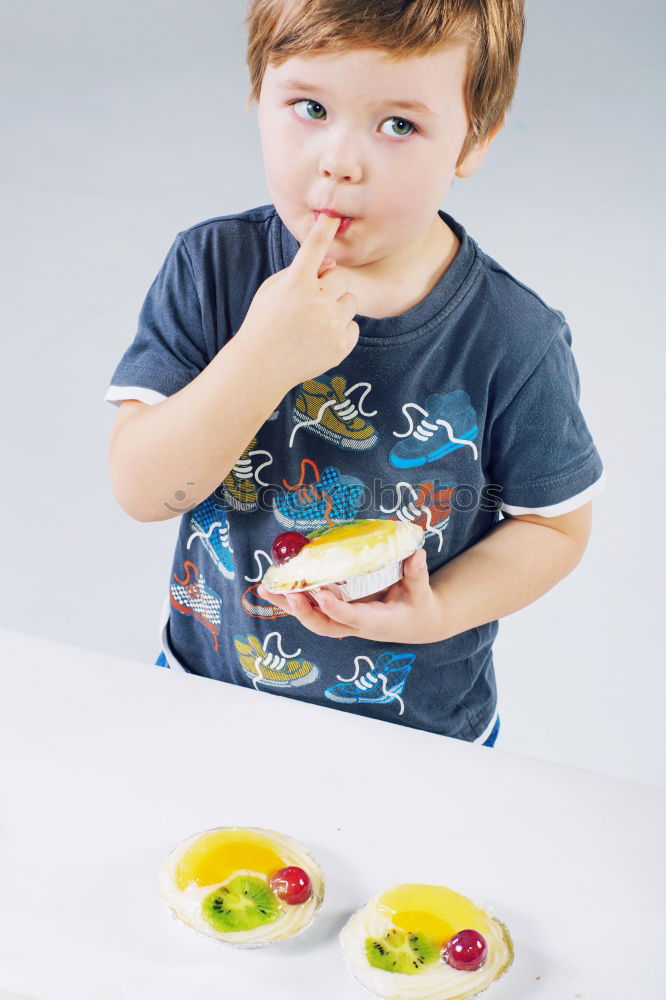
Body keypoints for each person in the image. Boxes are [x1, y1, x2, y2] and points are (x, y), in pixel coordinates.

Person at [106, 0, 604, 748]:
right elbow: (142, 490)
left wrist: (438, 611)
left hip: (420, 737)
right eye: (309, 107)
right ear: (258, 95)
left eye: (398, 124)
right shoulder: (211, 269)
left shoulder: (515, 337)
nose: (339, 160)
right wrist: (258, 360)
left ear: (474, 140)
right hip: (207, 697)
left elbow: (554, 527)